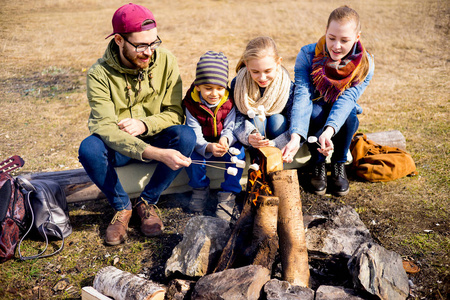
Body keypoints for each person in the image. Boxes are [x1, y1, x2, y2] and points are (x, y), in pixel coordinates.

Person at [78, 3, 196, 246]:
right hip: (120, 149)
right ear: (119, 40)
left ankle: (147, 202)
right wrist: (153, 153)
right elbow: (104, 127)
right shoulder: (98, 74)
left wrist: (145, 124)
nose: (149, 51)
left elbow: (174, 113)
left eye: (153, 43)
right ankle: (122, 207)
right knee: (89, 148)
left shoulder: (167, 61)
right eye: (141, 45)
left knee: (186, 136)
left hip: (155, 136)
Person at [292, 6, 375, 196]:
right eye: (331, 38)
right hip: (315, 107)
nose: (336, 46)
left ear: (357, 37)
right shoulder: (307, 55)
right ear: (326, 33)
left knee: (350, 115)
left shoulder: (365, 64)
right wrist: (296, 135)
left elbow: (347, 99)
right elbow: (302, 96)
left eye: (344, 40)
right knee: (315, 112)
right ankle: (318, 163)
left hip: (342, 109)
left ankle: (339, 163)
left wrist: (329, 131)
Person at [183, 51, 245, 221]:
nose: (214, 94)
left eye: (219, 88)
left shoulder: (230, 100)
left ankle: (228, 194)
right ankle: (200, 188)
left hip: (224, 141)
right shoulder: (191, 103)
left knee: (238, 154)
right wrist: (207, 146)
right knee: (192, 156)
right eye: (208, 89)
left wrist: (226, 139)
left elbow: (232, 124)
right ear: (197, 86)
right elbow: (193, 130)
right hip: (202, 143)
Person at [232, 36, 302, 163]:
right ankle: (257, 164)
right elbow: (236, 118)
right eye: (255, 71)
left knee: (277, 119)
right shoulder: (239, 84)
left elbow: (296, 122)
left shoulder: (287, 87)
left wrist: (275, 143)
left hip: (278, 137)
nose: (262, 77)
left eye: (267, 71)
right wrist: (249, 136)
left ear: (278, 62)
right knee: (257, 121)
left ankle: (275, 161)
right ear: (247, 65)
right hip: (254, 137)